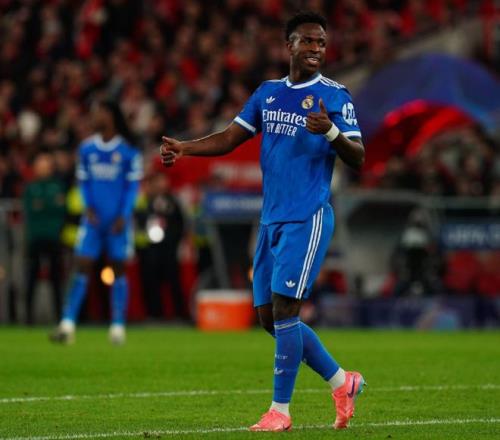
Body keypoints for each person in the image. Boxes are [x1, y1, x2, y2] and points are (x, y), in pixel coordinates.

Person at [160, 11, 366, 432]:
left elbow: (358, 156)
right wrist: (185, 148)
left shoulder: (335, 96)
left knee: (287, 308)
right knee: (270, 318)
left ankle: (280, 411)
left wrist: (331, 132)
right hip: (271, 219)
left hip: (307, 217)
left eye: (321, 43)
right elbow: (229, 138)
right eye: (307, 41)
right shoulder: (268, 94)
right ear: (289, 45)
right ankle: (342, 382)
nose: (316, 49)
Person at [51, 99, 143, 345]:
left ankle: (118, 326)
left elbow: (132, 187)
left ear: (110, 115)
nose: (94, 117)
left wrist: (124, 214)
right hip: (93, 221)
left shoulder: (128, 150)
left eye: (98, 112)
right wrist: (88, 207)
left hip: (118, 222)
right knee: (81, 265)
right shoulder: (86, 149)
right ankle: (67, 324)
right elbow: (83, 183)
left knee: (118, 269)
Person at [136, 172, 187, 320]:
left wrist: (173, 241)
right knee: (150, 282)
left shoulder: (172, 201)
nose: (162, 185)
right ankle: (154, 314)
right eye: (158, 182)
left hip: (168, 248)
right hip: (148, 249)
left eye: (163, 182)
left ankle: (180, 314)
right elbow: (137, 220)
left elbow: (180, 224)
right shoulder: (143, 201)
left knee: (173, 281)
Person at [23, 151, 66, 324]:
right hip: (35, 238)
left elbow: (60, 210)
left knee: (56, 277)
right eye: (40, 165)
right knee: (31, 277)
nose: (43, 168)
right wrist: (50, 205)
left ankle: (60, 316)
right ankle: (28, 317)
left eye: (45, 165)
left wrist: (43, 206)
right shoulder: (30, 187)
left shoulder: (58, 186)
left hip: (54, 237)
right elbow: (31, 210)